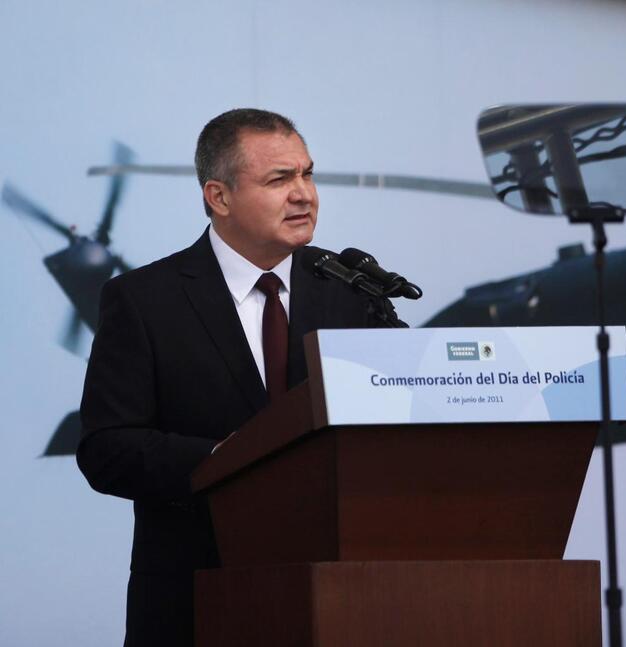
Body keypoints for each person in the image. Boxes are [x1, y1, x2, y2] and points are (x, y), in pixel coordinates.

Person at [77, 109, 397, 647]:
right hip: (196, 601)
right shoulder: (143, 300)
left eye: (308, 174)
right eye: (279, 179)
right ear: (218, 197)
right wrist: (230, 459)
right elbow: (108, 449)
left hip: (342, 597)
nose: (304, 195)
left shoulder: (352, 293)